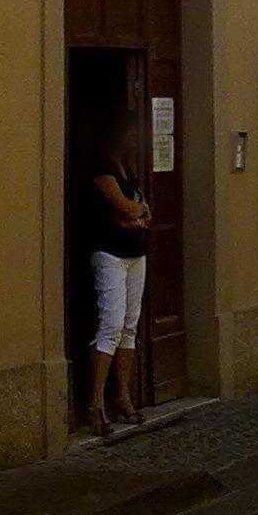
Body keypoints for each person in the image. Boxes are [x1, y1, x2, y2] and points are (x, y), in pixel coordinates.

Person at [85, 114, 150, 435]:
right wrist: (133, 213)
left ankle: (122, 397)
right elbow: (127, 207)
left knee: (129, 327)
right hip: (109, 254)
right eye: (131, 129)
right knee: (110, 326)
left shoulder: (127, 169)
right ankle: (95, 405)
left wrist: (134, 215)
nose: (136, 135)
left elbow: (142, 211)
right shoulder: (102, 169)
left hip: (136, 254)